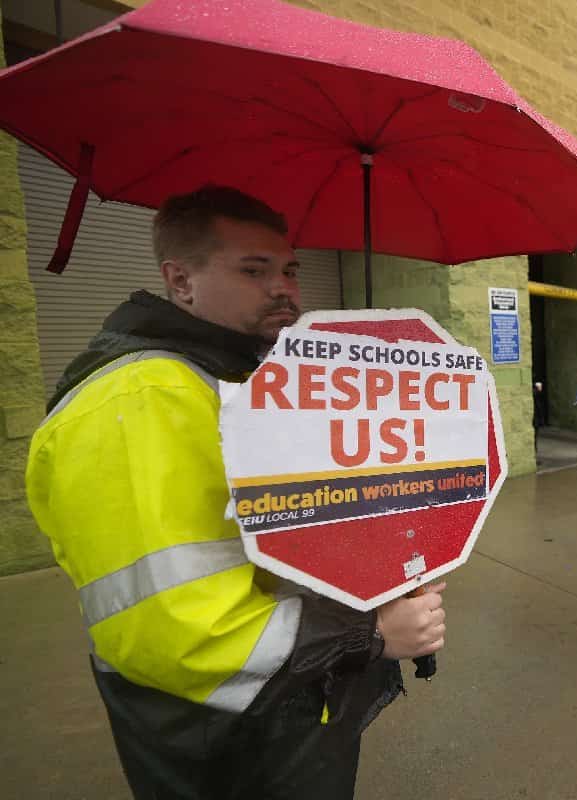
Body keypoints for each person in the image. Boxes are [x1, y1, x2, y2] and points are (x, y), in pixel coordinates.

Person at [24, 187, 447, 799]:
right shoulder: (142, 402)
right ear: (180, 280)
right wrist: (372, 633)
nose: (285, 290)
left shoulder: (234, 382)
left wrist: (384, 569)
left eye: (290, 269)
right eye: (254, 270)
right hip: (226, 741)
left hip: (289, 711)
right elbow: (186, 632)